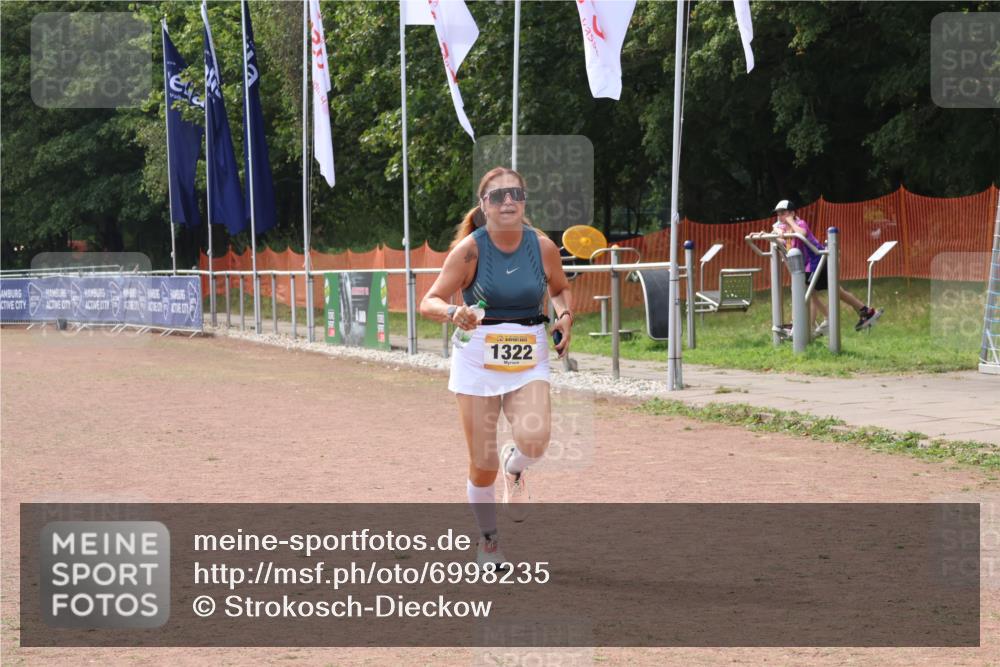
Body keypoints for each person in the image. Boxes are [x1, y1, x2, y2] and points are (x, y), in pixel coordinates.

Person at [419, 167, 573, 570]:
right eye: (498, 196)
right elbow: (429, 301)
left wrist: (564, 315)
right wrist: (455, 312)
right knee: (482, 462)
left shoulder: (542, 247)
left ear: (524, 202)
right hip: (476, 359)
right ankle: (488, 543)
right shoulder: (470, 250)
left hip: (529, 353)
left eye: (516, 195)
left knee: (536, 439)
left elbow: (559, 289)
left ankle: (516, 466)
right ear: (483, 205)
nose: (509, 202)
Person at [772, 200, 882, 335]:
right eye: (778, 214)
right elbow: (782, 239)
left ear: (793, 213)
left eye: (783, 213)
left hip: (819, 261)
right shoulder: (786, 229)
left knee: (807, 290)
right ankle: (865, 311)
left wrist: (790, 222)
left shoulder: (799, 223)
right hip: (812, 264)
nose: (781, 216)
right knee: (830, 291)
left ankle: (811, 326)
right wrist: (768, 235)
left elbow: (802, 233)